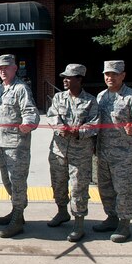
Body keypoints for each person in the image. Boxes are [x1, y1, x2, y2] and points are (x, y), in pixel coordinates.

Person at [94, 60, 132, 243]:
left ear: (123, 75)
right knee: (105, 189)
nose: (110, 77)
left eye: (114, 74)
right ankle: (111, 218)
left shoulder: (131, 97)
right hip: (103, 153)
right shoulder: (101, 96)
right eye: (107, 74)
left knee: (123, 191)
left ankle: (124, 224)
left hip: (124, 156)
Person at [47, 64, 99, 242]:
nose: (65, 80)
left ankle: (79, 224)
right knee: (58, 184)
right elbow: (52, 115)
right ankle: (62, 212)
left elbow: (94, 124)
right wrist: (58, 126)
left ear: (79, 79)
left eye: (69, 77)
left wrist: (80, 131)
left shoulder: (91, 101)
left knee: (78, 188)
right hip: (59, 150)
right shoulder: (58, 97)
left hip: (80, 153)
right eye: (64, 76)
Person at [0, 54, 39, 238]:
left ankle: (18, 219)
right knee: (7, 180)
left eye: (6, 67)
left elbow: (30, 111)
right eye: (0, 68)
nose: (3, 70)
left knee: (18, 181)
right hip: (0, 142)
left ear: (14, 68)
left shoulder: (21, 88)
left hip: (16, 144)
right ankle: (15, 211)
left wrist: (28, 123)